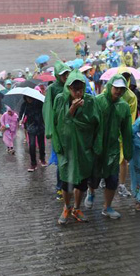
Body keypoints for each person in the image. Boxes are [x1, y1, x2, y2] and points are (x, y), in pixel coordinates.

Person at [52, 70, 100, 224]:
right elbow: (58, 124)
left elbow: (94, 123)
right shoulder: (61, 100)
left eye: (80, 89)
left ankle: (77, 208)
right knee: (66, 181)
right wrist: (71, 111)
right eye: (74, 89)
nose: (77, 92)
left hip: (84, 147)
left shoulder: (91, 101)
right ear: (68, 88)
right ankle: (66, 207)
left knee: (81, 182)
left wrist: (83, 111)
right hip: (67, 148)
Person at [86, 76, 132, 219]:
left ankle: (107, 207)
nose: (118, 91)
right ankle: (91, 192)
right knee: (93, 177)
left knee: (112, 179)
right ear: (110, 86)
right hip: (96, 146)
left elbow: (126, 130)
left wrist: (128, 150)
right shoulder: (98, 101)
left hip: (112, 147)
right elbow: (89, 123)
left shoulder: (123, 106)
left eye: (121, 89)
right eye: (116, 87)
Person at [43, 61, 72, 201]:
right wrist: (50, 129)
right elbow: (48, 109)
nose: (66, 76)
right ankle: (60, 187)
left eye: (67, 73)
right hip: (58, 129)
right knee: (61, 159)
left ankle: (71, 185)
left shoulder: (72, 85)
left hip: (72, 128)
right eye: (63, 74)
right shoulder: (53, 89)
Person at [19, 95, 46, 171]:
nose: (29, 99)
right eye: (27, 98)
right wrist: (20, 119)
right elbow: (21, 114)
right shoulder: (24, 105)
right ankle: (33, 164)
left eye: (30, 98)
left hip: (40, 125)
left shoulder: (39, 103)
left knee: (41, 144)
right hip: (30, 126)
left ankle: (42, 158)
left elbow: (44, 111)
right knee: (32, 144)